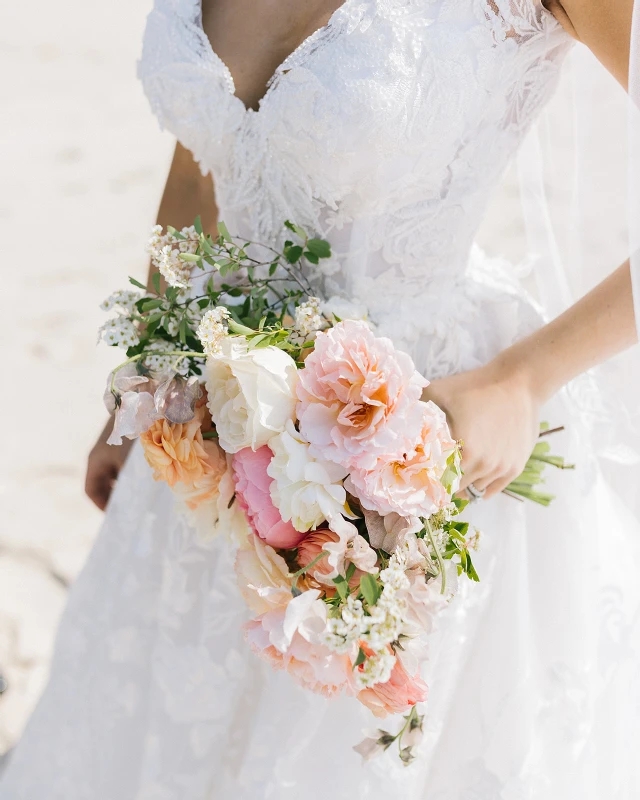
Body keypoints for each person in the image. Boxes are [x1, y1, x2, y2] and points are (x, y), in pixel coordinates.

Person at [2, 1, 639, 798]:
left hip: (415, 444)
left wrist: (524, 376)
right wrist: (145, 374)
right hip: (209, 432)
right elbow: (204, 161)